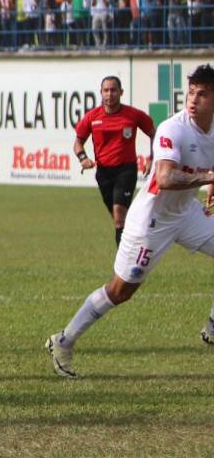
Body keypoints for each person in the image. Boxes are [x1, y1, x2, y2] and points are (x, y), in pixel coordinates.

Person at [47, 65, 214, 379]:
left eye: (202, 94)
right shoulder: (174, 129)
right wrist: (209, 177)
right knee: (121, 291)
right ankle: (63, 341)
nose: (193, 100)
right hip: (152, 220)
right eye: (191, 92)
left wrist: (210, 185)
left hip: (186, 213)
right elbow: (164, 178)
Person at [72, 76, 155, 244]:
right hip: (103, 173)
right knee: (120, 220)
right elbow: (78, 143)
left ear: (121, 92)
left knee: (119, 216)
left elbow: (155, 134)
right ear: (101, 93)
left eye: (113, 90)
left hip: (126, 170)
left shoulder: (133, 115)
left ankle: (124, 258)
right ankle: (137, 241)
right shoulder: (92, 117)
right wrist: (83, 158)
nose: (110, 94)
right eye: (106, 90)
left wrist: (152, 157)